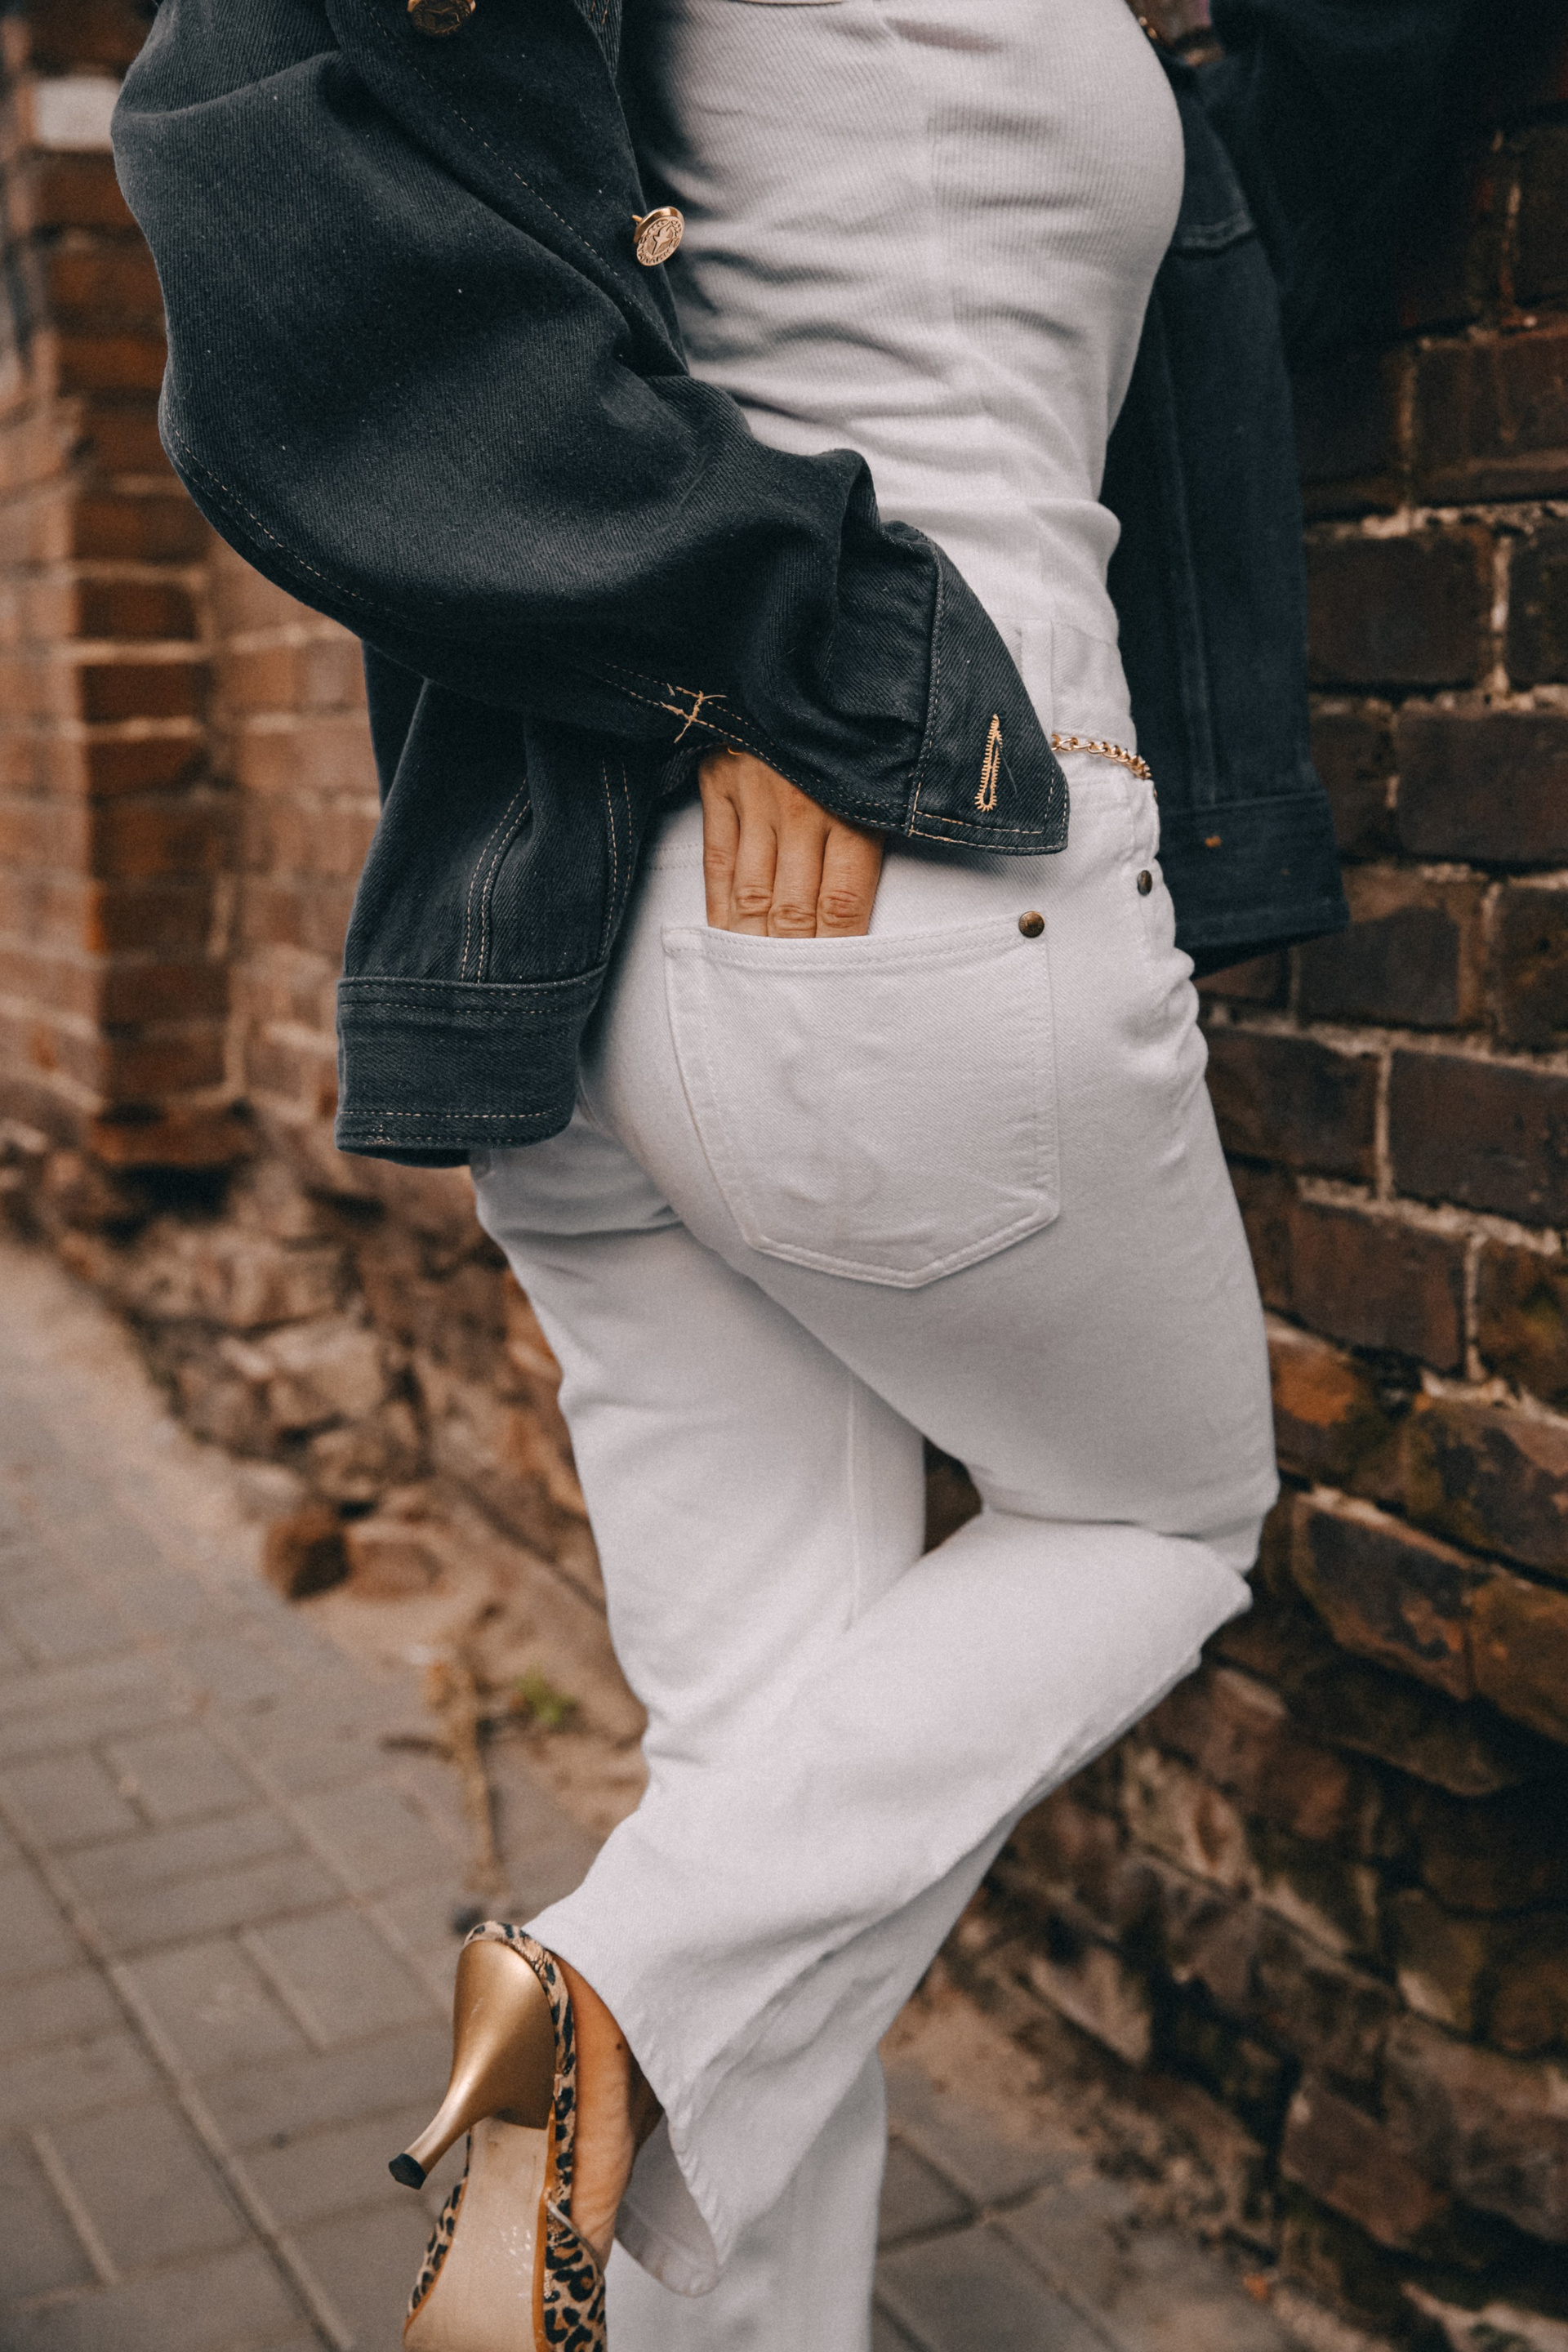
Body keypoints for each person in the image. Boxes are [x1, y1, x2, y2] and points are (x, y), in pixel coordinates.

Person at [113, 2, 1472, 2344]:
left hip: (588, 937)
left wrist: (744, 646)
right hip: (913, 862)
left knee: (779, 1789)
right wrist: (789, 637)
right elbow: (262, 187)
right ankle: (600, 2007)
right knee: (1157, 1521)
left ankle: (615, 2133)